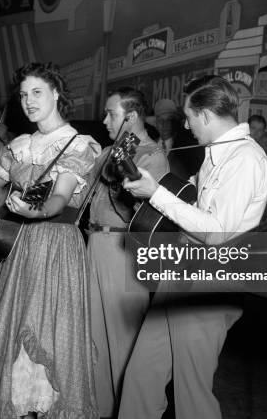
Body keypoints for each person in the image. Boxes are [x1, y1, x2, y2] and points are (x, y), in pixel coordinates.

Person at [119, 75, 267, 419]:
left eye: (188, 117)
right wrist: (152, 188)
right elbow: (193, 205)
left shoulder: (245, 159)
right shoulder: (215, 155)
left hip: (211, 282)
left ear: (205, 114)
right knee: (142, 375)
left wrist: (155, 194)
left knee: (191, 395)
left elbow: (217, 232)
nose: (186, 126)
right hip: (182, 273)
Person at [0, 62, 100, 418]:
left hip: (56, 248)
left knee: (49, 332)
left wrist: (34, 213)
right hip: (22, 246)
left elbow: (59, 198)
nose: (28, 101)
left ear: (56, 94)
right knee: (13, 331)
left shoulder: (78, 143)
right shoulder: (22, 144)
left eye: (37, 92)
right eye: (23, 95)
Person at [88, 87, 169, 418]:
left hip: (124, 248)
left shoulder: (152, 156)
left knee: (123, 343)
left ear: (131, 117)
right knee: (93, 341)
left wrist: (123, 180)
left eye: (111, 114)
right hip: (94, 243)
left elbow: (145, 218)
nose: (105, 120)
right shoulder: (109, 150)